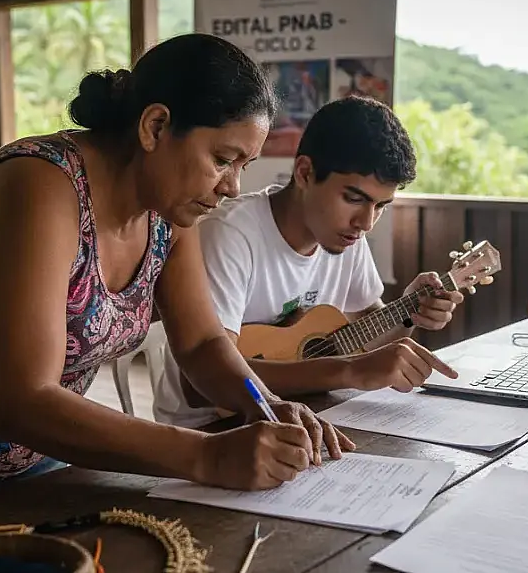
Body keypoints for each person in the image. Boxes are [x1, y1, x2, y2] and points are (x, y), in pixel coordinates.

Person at [0, 33, 354, 531]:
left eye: (244, 165)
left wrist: (262, 402)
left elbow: (201, 342)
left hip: (39, 453)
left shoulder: (168, 211)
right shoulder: (39, 187)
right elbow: (21, 401)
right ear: (155, 127)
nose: (232, 187)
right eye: (222, 159)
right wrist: (205, 454)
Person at [151, 95, 463, 428]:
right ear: (304, 173)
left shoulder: (346, 236)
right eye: (353, 198)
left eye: (381, 206)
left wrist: (407, 313)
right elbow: (201, 385)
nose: (366, 222)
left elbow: (369, 336)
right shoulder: (231, 234)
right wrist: (347, 371)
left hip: (302, 411)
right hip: (212, 429)